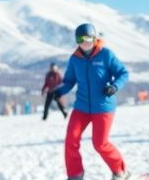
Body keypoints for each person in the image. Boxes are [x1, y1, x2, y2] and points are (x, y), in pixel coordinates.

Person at [53, 23, 131, 180]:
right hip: (81, 107)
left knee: (100, 144)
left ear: (95, 38)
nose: (85, 41)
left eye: (88, 37)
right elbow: (69, 81)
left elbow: (123, 73)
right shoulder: (75, 59)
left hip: (103, 107)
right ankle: (75, 174)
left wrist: (114, 87)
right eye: (80, 39)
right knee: (71, 140)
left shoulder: (106, 55)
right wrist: (59, 91)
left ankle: (120, 171)